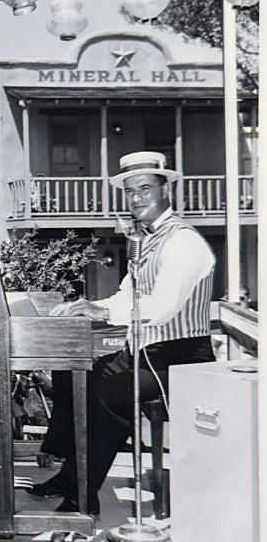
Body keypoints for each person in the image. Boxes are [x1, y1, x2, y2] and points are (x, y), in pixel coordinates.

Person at [27, 151, 215, 515]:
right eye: (130, 191)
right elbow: (127, 296)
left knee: (106, 396)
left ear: (165, 190)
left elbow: (162, 307)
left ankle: (84, 497)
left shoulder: (183, 241)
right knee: (72, 373)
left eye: (145, 189)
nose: (137, 198)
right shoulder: (144, 240)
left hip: (179, 359)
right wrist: (87, 305)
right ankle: (69, 473)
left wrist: (102, 312)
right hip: (141, 354)